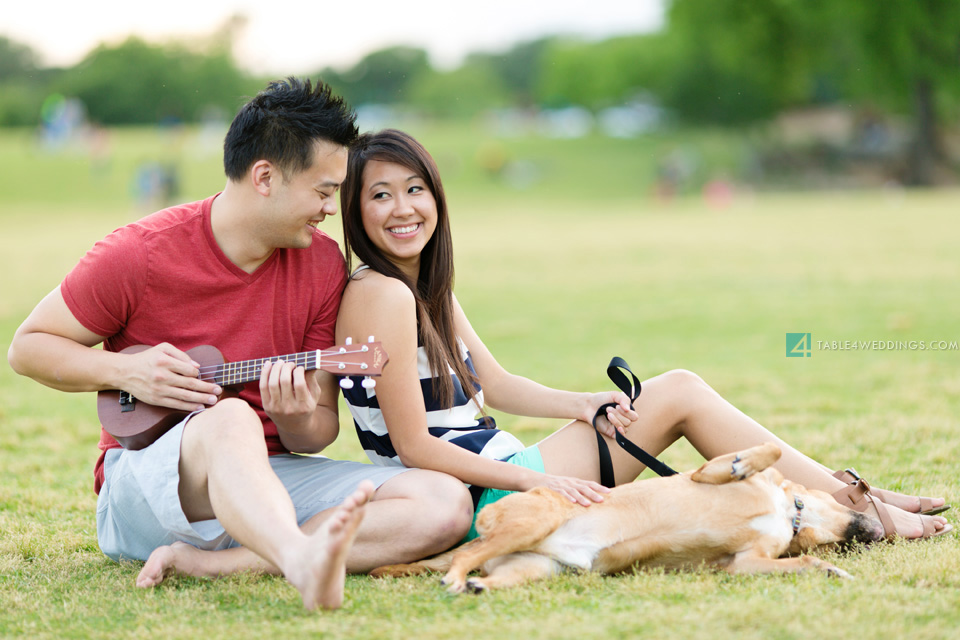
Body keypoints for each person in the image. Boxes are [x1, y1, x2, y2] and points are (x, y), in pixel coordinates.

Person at [131, 127, 951, 585]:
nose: (401, 208)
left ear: (437, 196)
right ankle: (861, 506)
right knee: (682, 392)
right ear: (354, 211)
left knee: (672, 391)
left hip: (503, 456)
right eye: (377, 195)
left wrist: (578, 406)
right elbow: (414, 446)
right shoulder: (377, 291)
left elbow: (491, 383)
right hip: (472, 487)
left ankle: (851, 495)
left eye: (413, 189)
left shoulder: (428, 286)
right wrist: (538, 478)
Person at [6, 83, 472, 611]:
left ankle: (221, 563)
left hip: (263, 486)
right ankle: (302, 560)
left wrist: (292, 418)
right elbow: (27, 348)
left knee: (443, 502)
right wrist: (127, 373)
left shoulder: (321, 266)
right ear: (266, 177)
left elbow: (317, 432)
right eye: (322, 191)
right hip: (145, 490)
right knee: (231, 419)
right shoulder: (140, 254)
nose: (329, 209)